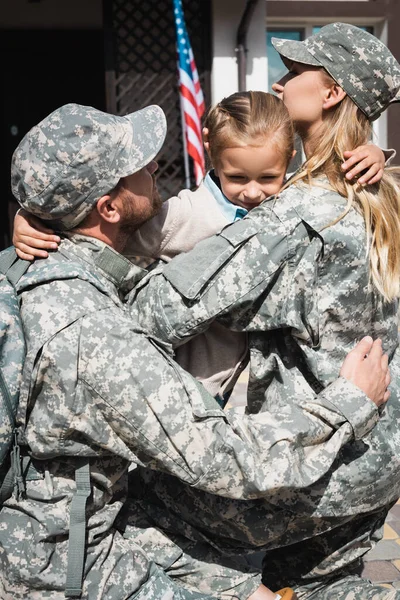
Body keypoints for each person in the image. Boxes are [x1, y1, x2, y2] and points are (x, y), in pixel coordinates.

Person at [0, 102, 390, 600]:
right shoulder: (91, 335)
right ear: (109, 208)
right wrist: (348, 403)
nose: (152, 169)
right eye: (135, 167)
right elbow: (224, 454)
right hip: (71, 563)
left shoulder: (30, 265)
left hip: (86, 519)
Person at [122, 23, 400, 599]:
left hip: (318, 460)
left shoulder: (297, 216)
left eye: (298, 72)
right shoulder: (384, 193)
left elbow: (161, 311)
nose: (281, 79)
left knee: (133, 511)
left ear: (331, 94)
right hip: (379, 456)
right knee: (324, 584)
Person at [12, 92, 390, 406]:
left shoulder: (290, 199)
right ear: (213, 155)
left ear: (288, 161)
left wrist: (375, 154)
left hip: (262, 381)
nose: (254, 192)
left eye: (268, 178)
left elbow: (336, 179)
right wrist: (33, 220)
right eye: (237, 178)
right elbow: (101, 232)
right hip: (201, 380)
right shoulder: (185, 215)